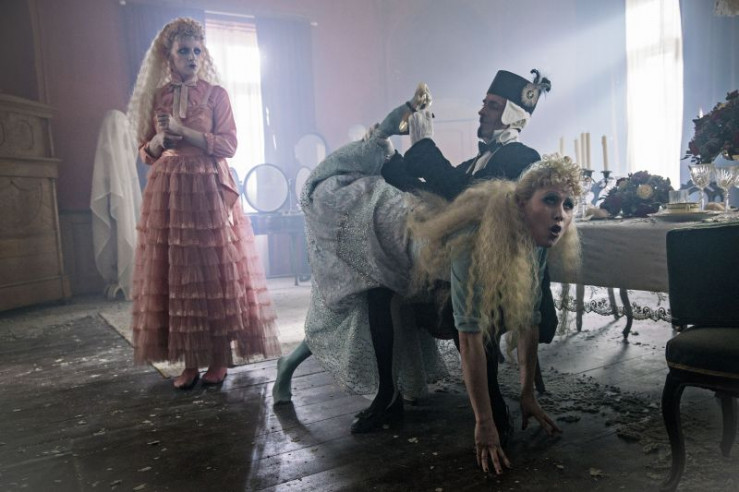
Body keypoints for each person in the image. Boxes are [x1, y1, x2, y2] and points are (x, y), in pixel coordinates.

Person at [381, 69, 556, 443]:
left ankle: (492, 410)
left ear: (511, 114)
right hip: (472, 270)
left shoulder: (524, 157)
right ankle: (394, 396)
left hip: (507, 281)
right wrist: (390, 158)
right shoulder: (481, 161)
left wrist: (425, 145)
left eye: (491, 106)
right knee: (396, 295)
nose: (481, 111)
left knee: (467, 308)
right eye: (484, 104)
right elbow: (435, 188)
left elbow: (464, 195)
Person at [273, 85, 449, 433]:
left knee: (378, 311)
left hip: (375, 253)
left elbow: (405, 187)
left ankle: (391, 394)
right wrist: (409, 106)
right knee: (333, 321)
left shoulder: (384, 174)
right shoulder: (353, 166)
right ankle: (289, 368)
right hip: (345, 257)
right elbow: (386, 129)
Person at [127, 17, 280, 390]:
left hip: (207, 187)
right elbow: (145, 152)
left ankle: (218, 358)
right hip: (168, 189)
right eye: (184, 51)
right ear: (169, 56)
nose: (192, 57)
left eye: (197, 50)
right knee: (177, 272)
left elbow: (228, 145)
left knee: (212, 270)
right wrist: (160, 141)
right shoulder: (158, 97)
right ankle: (190, 361)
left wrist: (185, 132)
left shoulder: (215, 95)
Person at [408, 155, 582, 474]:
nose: (560, 214)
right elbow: (469, 336)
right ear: (522, 203)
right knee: (471, 325)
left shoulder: (539, 240)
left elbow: (529, 320)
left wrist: (527, 395)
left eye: (568, 205)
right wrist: (484, 424)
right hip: (413, 244)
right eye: (550, 200)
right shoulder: (472, 240)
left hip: (489, 253)